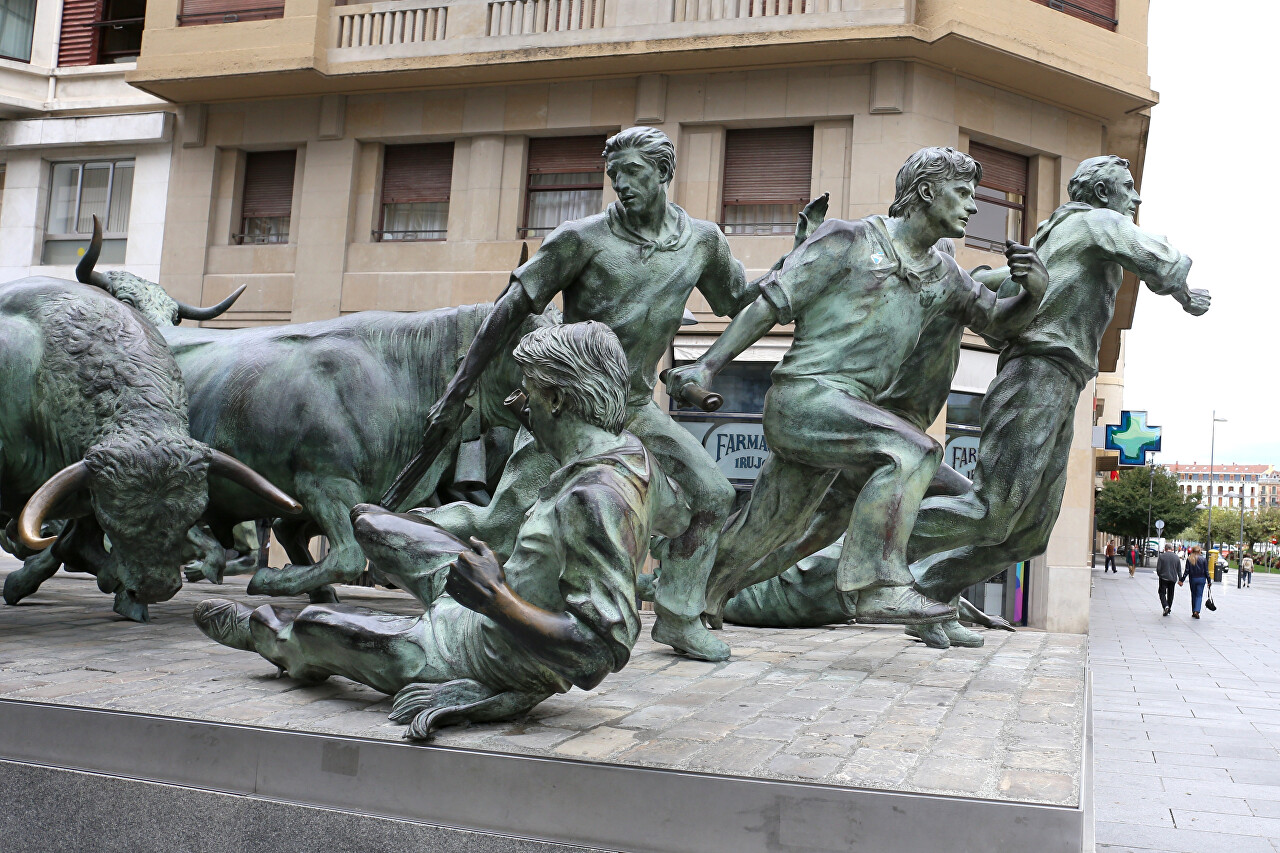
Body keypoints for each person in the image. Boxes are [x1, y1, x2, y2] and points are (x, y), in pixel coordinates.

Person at [193, 322, 687, 739]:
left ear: (556, 398)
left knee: (316, 626)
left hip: (488, 651)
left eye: (527, 391)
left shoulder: (594, 497)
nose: (519, 402)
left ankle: (269, 635)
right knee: (368, 522)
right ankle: (432, 595)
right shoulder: (628, 453)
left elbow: (603, 648)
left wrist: (496, 598)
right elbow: (678, 518)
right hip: (490, 597)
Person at [386, 127, 761, 661]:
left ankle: (678, 615)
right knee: (499, 523)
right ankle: (390, 536)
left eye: (633, 173)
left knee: (713, 495)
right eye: (615, 176)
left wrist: (801, 257)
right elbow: (508, 310)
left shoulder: (701, 241)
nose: (622, 185)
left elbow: (739, 300)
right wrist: (460, 387)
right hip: (568, 410)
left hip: (633, 408)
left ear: (663, 173)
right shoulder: (580, 238)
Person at [667, 146, 1046, 626]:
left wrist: (1034, 292)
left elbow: (997, 322)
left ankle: (690, 604)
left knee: (768, 530)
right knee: (914, 452)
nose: (973, 206)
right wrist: (706, 365)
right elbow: (768, 305)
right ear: (927, 191)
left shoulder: (946, 274)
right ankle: (878, 585)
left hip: (843, 411)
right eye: (963, 193)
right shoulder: (846, 239)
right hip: (804, 397)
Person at [1179, 544, 1210, 618]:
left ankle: (1193, 611)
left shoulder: (1190, 559)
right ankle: (1197, 611)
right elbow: (1206, 571)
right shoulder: (1203, 559)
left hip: (1193, 579)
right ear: (1199, 551)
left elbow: (1186, 571)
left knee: (1193, 595)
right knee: (1199, 595)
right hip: (1202, 579)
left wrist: (1182, 580)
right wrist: (1209, 581)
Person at [1155, 543, 1179, 616]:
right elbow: (1179, 570)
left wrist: (1160, 575)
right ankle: (1168, 608)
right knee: (1171, 594)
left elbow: (1158, 568)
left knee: (1162, 592)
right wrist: (1181, 579)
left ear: (1165, 549)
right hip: (1173, 578)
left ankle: (1165, 606)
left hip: (1163, 578)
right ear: (1172, 549)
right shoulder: (1176, 557)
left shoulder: (1162, 556)